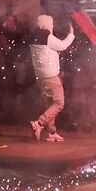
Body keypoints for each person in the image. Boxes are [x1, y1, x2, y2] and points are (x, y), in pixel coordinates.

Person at [28, 14, 75, 142]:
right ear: (47, 24)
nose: (52, 26)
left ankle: (52, 132)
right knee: (59, 103)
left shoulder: (34, 36)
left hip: (41, 76)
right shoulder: (46, 36)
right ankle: (39, 123)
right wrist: (71, 34)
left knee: (51, 103)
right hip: (51, 76)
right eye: (51, 24)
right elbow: (62, 46)